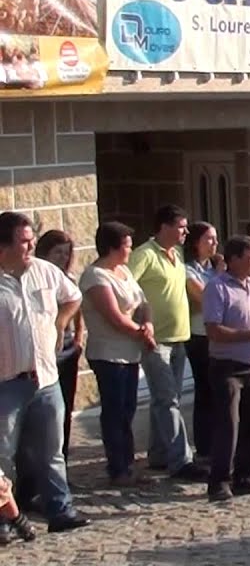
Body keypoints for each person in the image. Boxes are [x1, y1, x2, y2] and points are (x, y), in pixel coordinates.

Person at [0, 211, 91, 534]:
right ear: (4, 246)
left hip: (46, 379)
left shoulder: (46, 272)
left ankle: (60, 511)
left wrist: (62, 322)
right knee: (3, 457)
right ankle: (5, 520)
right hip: (6, 383)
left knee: (52, 451)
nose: (31, 247)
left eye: (32, 240)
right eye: (25, 242)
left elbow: (74, 297)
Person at [129, 205, 204, 481]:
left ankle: (159, 454)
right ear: (164, 227)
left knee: (162, 401)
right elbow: (126, 287)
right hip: (155, 340)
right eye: (181, 226)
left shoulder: (177, 254)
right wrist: (138, 324)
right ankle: (180, 460)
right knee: (168, 399)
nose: (186, 231)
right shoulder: (145, 255)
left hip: (179, 338)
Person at [203, 236, 250, 502]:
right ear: (233, 259)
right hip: (228, 367)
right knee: (228, 424)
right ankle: (219, 480)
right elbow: (214, 330)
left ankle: (245, 476)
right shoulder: (217, 288)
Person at [81, 222, 153, 487]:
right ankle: (118, 467)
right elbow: (114, 317)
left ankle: (128, 463)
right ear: (112, 246)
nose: (130, 250)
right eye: (126, 245)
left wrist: (149, 324)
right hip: (108, 354)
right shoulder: (95, 276)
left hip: (131, 353)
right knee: (114, 413)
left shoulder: (123, 271)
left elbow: (143, 303)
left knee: (128, 410)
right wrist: (141, 333)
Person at [33, 231, 83, 458]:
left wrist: (79, 338)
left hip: (67, 348)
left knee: (65, 408)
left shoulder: (68, 279)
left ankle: (62, 459)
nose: (63, 257)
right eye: (57, 252)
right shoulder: (36, 278)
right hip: (45, 351)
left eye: (66, 253)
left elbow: (77, 310)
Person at [183, 221, 220, 462]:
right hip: (199, 335)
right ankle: (204, 447)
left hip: (218, 334)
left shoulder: (215, 268)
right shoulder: (188, 271)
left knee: (219, 391)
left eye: (216, 238)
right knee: (205, 390)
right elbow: (206, 298)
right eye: (209, 239)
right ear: (196, 243)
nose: (215, 244)